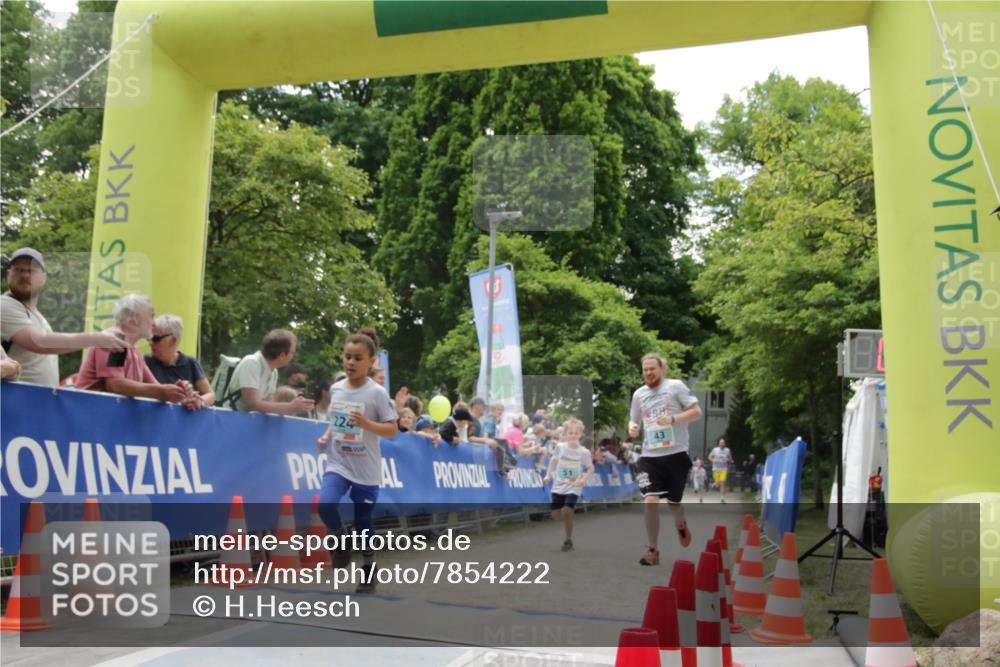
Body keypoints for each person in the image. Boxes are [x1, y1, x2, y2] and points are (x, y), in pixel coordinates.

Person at [316, 327, 398, 593]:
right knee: (325, 505)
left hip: (366, 466)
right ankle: (340, 541)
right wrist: (326, 435)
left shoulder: (376, 394)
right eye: (347, 356)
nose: (350, 362)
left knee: (364, 522)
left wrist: (366, 424)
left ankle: (369, 568)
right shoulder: (336, 388)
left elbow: (393, 430)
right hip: (339, 461)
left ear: (371, 362)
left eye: (357, 358)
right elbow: (335, 418)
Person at [2, 247, 126, 387]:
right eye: (18, 270)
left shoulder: (37, 316)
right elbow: (39, 342)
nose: (25, 275)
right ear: (8, 274)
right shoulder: (4, 305)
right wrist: (96, 338)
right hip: (12, 402)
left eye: (31, 270)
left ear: (44, 277)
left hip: (33, 403)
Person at [628, 352, 703, 565]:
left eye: (652, 368)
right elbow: (633, 422)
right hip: (648, 457)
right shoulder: (638, 394)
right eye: (645, 369)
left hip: (676, 455)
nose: (649, 372)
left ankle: (680, 523)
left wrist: (672, 419)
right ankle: (652, 550)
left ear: (662, 368)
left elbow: (697, 412)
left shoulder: (676, 386)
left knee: (673, 504)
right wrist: (633, 428)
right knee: (650, 501)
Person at [75, 294, 190, 404]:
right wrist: (163, 391)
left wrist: (182, 395)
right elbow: (115, 384)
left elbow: (157, 388)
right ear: (136, 318)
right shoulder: (115, 339)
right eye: (151, 316)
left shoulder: (134, 349)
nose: (154, 322)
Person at [227, 329, 314, 415]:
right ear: (282, 355)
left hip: (248, 423)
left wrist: (295, 405)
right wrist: (290, 407)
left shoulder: (273, 371)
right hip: (232, 420)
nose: (293, 356)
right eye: (292, 352)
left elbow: (270, 406)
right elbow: (252, 404)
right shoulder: (252, 362)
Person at [543, 418, 594, 552]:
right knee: (555, 516)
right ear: (565, 434)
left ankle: (568, 539)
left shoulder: (584, 452)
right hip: (559, 485)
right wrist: (548, 474)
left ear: (580, 434)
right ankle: (565, 515)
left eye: (576, 433)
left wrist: (584, 478)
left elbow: (590, 468)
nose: (573, 435)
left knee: (567, 511)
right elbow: (553, 460)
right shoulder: (560, 447)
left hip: (574, 485)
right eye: (570, 433)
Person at [145, 314, 215, 410]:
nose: (151, 343)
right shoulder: (146, 361)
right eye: (149, 338)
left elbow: (210, 394)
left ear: (173, 341)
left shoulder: (191, 363)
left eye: (155, 339)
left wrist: (198, 401)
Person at [709, 437, 734, 503]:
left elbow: (730, 459)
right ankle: (715, 484)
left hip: (724, 469)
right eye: (720, 443)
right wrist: (713, 460)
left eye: (723, 443)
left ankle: (722, 498)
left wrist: (728, 460)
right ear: (719, 443)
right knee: (718, 483)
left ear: (725, 444)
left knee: (722, 483)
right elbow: (709, 457)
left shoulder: (727, 450)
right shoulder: (715, 449)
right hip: (716, 469)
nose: (721, 444)